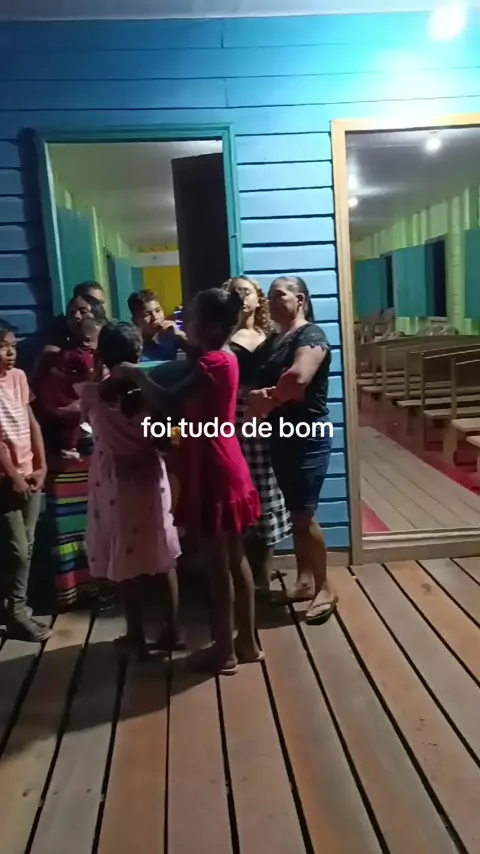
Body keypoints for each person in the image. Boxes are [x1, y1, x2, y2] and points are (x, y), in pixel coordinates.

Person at [114, 288, 263, 675]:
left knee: (217, 567)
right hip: (226, 460)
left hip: (213, 468)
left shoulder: (213, 362)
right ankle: (247, 643)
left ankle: (224, 651)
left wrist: (134, 373)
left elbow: (169, 402)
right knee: (235, 559)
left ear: (210, 326)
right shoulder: (223, 357)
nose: (184, 324)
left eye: (190, 318)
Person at [80, 320, 182, 659]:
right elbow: (166, 439)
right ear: (138, 353)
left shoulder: (95, 394)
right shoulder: (150, 396)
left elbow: (86, 415)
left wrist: (99, 368)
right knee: (163, 553)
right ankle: (173, 630)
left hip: (113, 483)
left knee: (123, 556)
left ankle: (136, 633)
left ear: (103, 356)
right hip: (150, 477)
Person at [249, 275, 337, 624]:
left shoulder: (311, 335)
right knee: (296, 511)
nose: (271, 302)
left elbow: (299, 377)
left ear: (300, 300)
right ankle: (303, 582)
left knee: (303, 514)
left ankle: (325, 587)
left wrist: (268, 397)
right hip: (281, 435)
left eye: (279, 296)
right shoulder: (274, 340)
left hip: (307, 436)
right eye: (269, 297)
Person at [224, 276, 291, 593]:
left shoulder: (271, 336)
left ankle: (263, 577)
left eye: (246, 291)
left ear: (257, 298)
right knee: (239, 489)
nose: (241, 296)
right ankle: (242, 579)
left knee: (266, 489)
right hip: (232, 417)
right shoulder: (223, 337)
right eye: (235, 291)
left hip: (266, 416)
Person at [0, 320, 52, 642]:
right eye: (2, 347)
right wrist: (13, 476)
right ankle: (17, 614)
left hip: (29, 473)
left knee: (28, 545)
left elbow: (32, 423)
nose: (10, 352)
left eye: (13, 346)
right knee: (17, 550)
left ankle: (14, 608)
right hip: (6, 480)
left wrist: (41, 466)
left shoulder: (18, 378)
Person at [34, 316, 102, 460]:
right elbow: (91, 378)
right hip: (69, 397)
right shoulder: (86, 357)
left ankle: (70, 447)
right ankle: (73, 447)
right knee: (76, 423)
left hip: (60, 396)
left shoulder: (65, 353)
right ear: (88, 341)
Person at [128, 289, 187, 362]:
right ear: (135, 320)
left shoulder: (169, 335)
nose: (155, 317)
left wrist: (179, 334)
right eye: (147, 314)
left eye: (158, 310)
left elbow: (197, 354)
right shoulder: (130, 345)